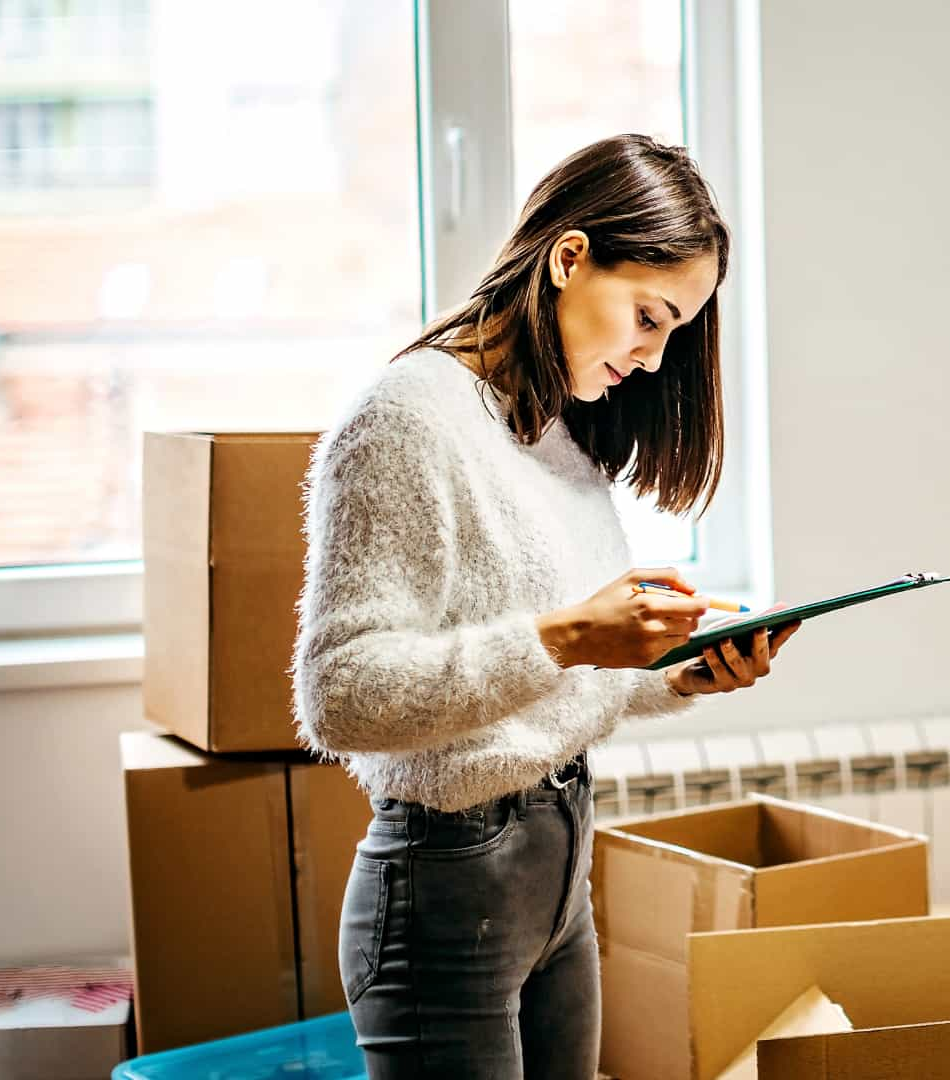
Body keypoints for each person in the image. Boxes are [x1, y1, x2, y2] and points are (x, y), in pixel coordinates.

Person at [291, 133, 796, 1079]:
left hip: (559, 867)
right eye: (649, 316)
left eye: (674, 331)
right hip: (447, 887)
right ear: (569, 258)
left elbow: (552, 681)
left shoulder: (552, 432)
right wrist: (567, 636)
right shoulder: (406, 420)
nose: (653, 360)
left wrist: (677, 671)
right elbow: (339, 697)